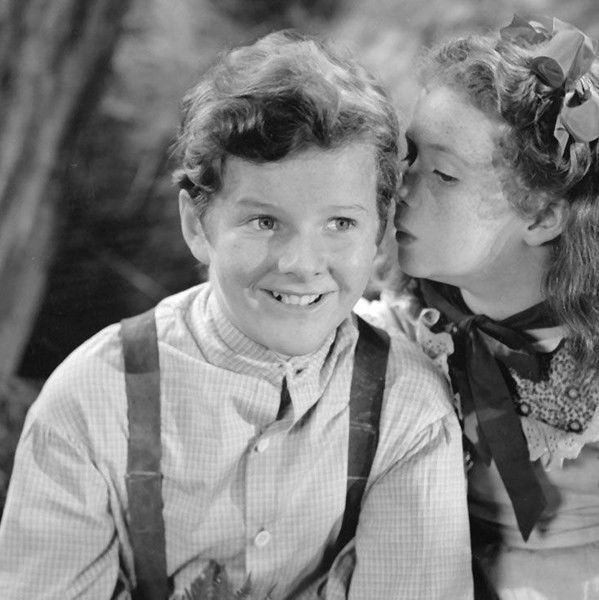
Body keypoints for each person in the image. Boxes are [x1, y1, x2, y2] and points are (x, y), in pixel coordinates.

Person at [0, 31, 472, 599]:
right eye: (264, 222)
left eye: (340, 224)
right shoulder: (91, 401)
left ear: (378, 233)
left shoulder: (409, 411)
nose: (301, 264)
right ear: (197, 226)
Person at [356, 14, 599, 600]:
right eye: (410, 157)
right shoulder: (399, 327)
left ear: (543, 215)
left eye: (444, 174)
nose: (402, 189)